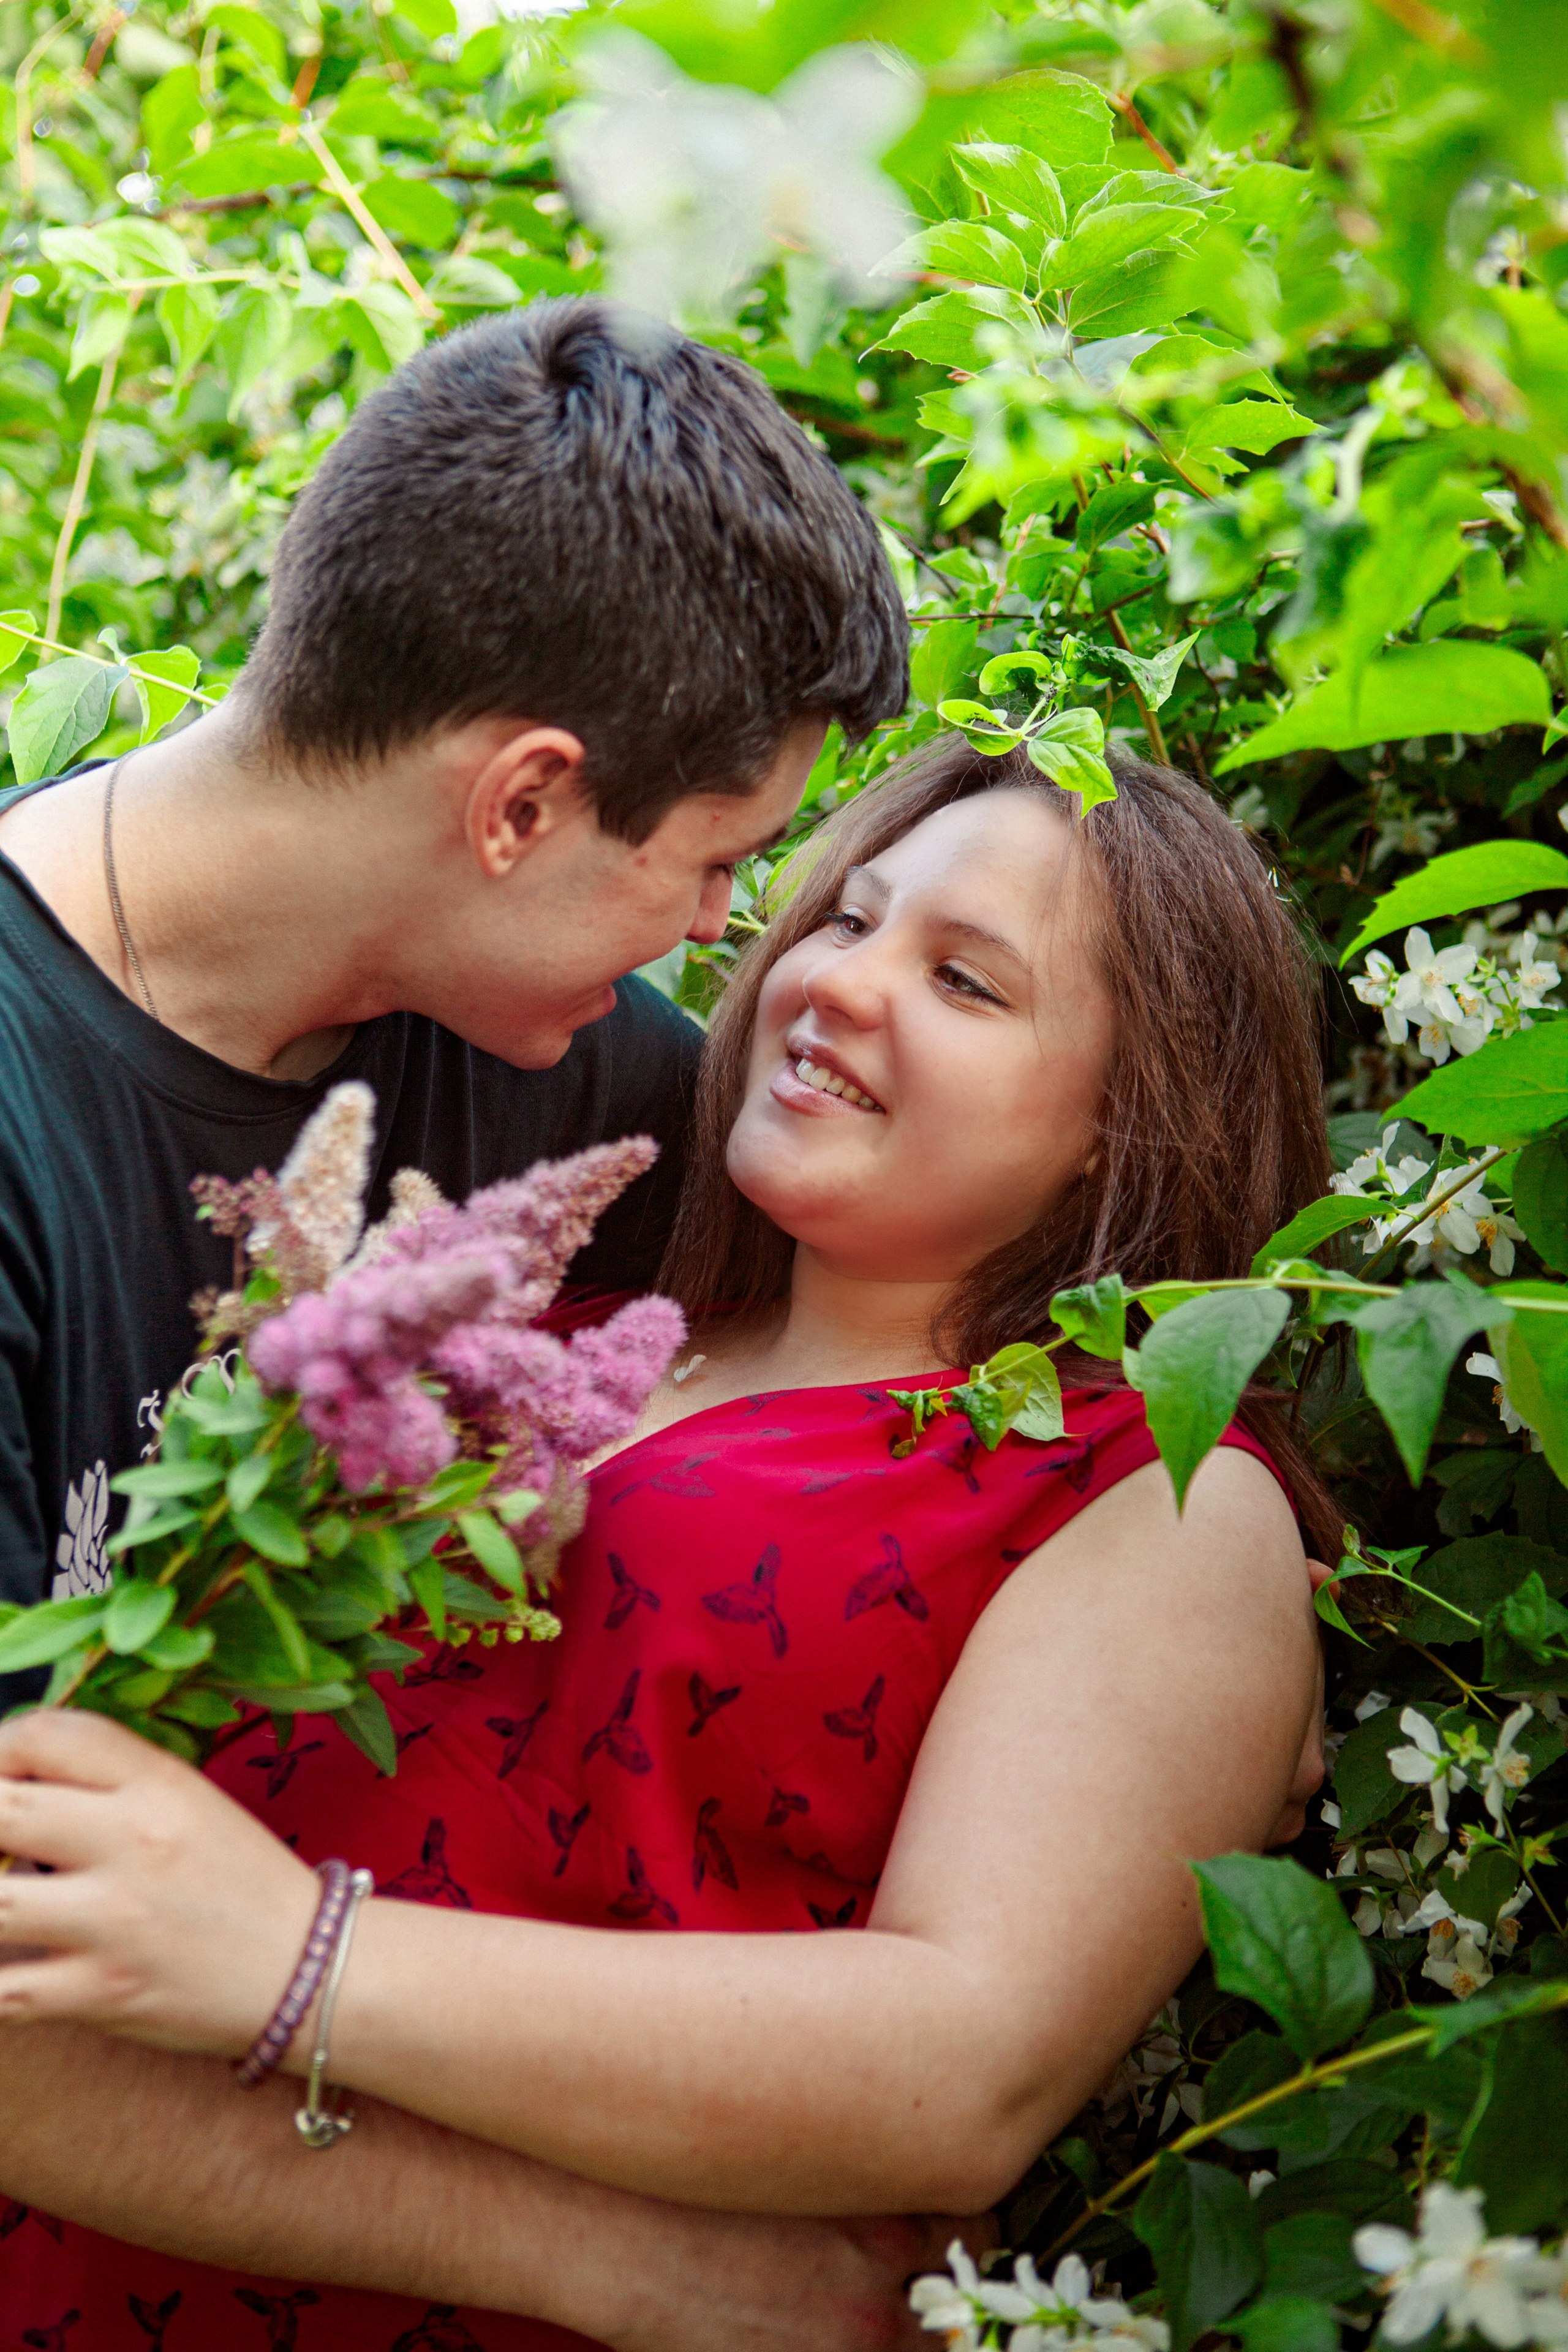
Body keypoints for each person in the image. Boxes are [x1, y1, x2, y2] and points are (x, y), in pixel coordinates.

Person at [0, 737, 1333, 2350]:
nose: (842, 985)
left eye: (966, 983)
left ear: (1125, 1128)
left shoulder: (1149, 1488)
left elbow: (967, 2061)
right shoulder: (569, 1313)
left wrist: (293, 1955)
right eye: (847, 918)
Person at [0, 295, 937, 2348]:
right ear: (520, 802)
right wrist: (651, 2273)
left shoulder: (556, 1055)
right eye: (712, 863)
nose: (724, 936)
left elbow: (935, 1269)